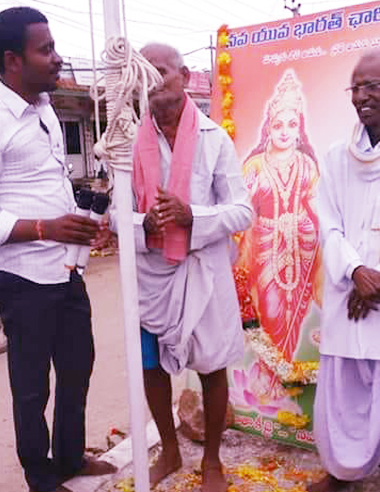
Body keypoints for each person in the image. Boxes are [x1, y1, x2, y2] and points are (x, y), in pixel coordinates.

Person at [0, 7, 116, 492]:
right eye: (45, 50)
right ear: (13, 60)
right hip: (21, 277)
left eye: (54, 47)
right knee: (31, 386)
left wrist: (83, 226)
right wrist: (47, 227)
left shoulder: (44, 107)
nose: (57, 57)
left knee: (78, 366)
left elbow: (47, 184)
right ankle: (39, 477)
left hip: (64, 269)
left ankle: (68, 457)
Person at [130, 43, 253, 492]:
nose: (153, 80)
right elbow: (114, 213)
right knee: (150, 367)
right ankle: (170, 449)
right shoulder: (127, 141)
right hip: (150, 275)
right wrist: (143, 223)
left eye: (160, 70)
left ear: (183, 76)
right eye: (144, 73)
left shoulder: (213, 138)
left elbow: (242, 210)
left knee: (211, 367)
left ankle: (212, 460)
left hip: (202, 270)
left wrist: (191, 216)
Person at [309, 49, 380, 492]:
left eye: (374, 86)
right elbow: (327, 221)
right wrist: (354, 271)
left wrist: (379, 278)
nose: (362, 96)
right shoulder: (336, 156)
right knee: (342, 393)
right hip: (347, 289)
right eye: (356, 87)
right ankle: (339, 474)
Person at [238, 69, 321, 362]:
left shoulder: (307, 165)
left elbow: (317, 205)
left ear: (299, 129)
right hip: (265, 251)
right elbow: (243, 211)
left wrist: (311, 228)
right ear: (268, 129)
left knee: (295, 314)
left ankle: (287, 371)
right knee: (271, 311)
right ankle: (272, 373)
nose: (284, 131)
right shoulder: (255, 167)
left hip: (302, 249)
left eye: (291, 124)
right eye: (278, 125)